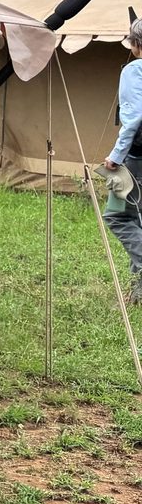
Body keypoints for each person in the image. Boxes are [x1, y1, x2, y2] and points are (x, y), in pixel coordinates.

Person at [102, 18, 142, 303]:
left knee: (117, 216)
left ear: (136, 43)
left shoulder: (134, 70)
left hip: (135, 158)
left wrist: (116, 155)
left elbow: (134, 117)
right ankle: (139, 293)